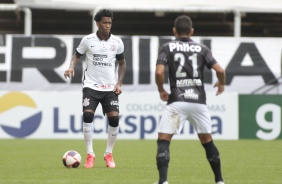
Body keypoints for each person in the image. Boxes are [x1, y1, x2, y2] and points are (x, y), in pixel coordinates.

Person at [154, 15, 225, 184]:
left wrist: (161, 90)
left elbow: (158, 72)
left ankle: (163, 181)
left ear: (174, 30)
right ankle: (219, 180)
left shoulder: (167, 47)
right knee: (207, 141)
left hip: (177, 101)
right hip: (198, 102)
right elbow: (220, 70)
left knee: (164, 139)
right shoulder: (202, 49)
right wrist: (221, 83)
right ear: (192, 31)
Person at [64, 9, 126, 169]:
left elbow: (122, 63)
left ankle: (108, 153)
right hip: (91, 86)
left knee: (114, 119)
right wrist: (71, 67)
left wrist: (119, 83)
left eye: (110, 23)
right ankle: (90, 154)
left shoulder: (117, 42)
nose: (107, 25)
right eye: (104, 22)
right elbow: (77, 55)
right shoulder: (87, 40)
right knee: (87, 116)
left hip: (110, 88)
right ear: (97, 23)